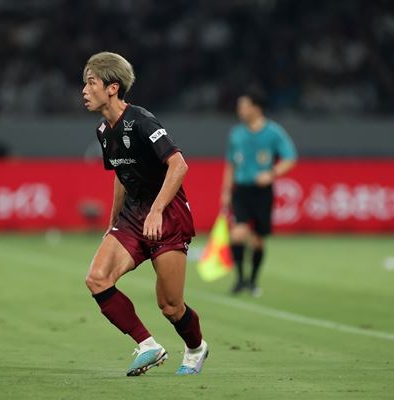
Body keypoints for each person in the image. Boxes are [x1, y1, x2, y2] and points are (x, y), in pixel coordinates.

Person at [82, 52, 208, 376]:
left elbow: (179, 165)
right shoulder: (103, 130)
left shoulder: (141, 121)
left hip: (168, 216)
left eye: (91, 83)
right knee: (97, 279)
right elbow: (121, 174)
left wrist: (157, 211)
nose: (84, 90)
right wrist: (113, 221)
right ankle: (148, 345)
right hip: (133, 216)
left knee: (170, 306)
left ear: (112, 88)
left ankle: (196, 348)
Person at [220, 90, 297, 296]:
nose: (240, 110)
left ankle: (253, 281)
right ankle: (240, 278)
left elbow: (290, 157)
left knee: (258, 240)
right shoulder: (236, 133)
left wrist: (271, 174)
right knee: (237, 234)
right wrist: (226, 191)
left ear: (256, 108)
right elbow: (231, 165)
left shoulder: (273, 132)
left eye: (243, 106)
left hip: (262, 192)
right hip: (241, 190)